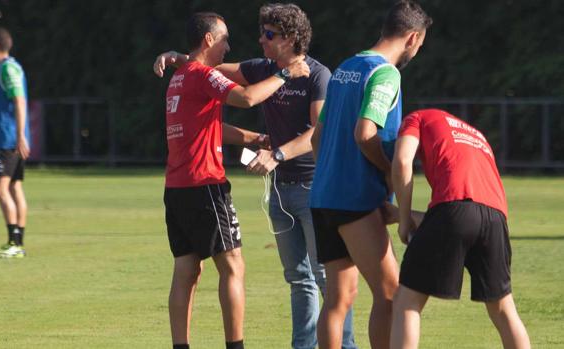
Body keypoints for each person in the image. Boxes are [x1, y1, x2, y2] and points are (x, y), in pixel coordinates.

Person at [154, 4, 357, 348]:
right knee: (264, 272)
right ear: (208, 39)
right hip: (229, 186)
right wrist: (283, 75)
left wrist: (266, 146)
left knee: (323, 277)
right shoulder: (240, 71)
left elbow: (316, 134)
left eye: (268, 34)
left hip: (300, 186)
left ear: (290, 38)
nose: (254, 42)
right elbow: (241, 93)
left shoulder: (317, 75)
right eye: (225, 40)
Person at [309, 1, 431, 348]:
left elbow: (318, 136)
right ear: (412, 37)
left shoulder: (346, 67)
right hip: (355, 199)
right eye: (420, 44)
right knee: (390, 293)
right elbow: (365, 134)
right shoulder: (385, 73)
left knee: (338, 298)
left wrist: (331, 174)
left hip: (324, 196)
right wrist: (387, 170)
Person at [390, 109, 531, 349]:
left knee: (408, 301)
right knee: (504, 309)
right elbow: (471, 208)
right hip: (496, 218)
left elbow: (403, 162)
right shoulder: (477, 135)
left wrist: (403, 219)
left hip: (453, 207)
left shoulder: (418, 118)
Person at [0, 27, 30, 259]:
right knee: (14, 187)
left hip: (10, 139)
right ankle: (17, 243)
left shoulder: (7, 69)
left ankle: (14, 241)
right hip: (6, 139)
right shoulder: (2, 69)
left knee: (0, 188)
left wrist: (19, 136)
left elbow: (19, 101)